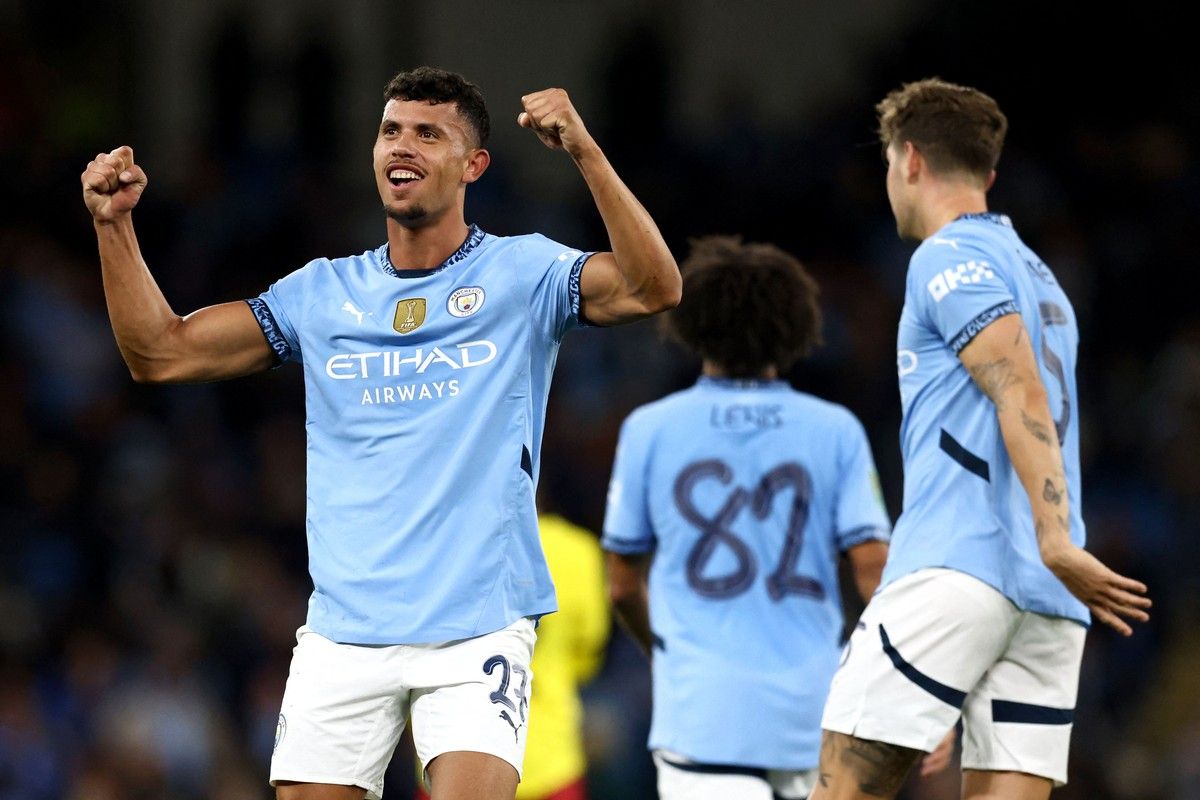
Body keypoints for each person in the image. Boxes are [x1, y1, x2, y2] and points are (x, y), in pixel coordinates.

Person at [80, 66, 680, 800]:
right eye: (392, 130)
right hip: (344, 632)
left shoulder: (523, 272)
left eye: (430, 134)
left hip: (476, 627)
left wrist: (585, 150)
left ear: (474, 165)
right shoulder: (321, 293)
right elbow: (161, 353)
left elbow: (656, 286)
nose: (404, 145)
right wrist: (113, 227)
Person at [810, 78, 1152, 800]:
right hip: (1048, 598)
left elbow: (1018, 386)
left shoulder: (945, 257)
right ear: (989, 174)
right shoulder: (1044, 279)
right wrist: (1056, 551)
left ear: (908, 161)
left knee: (840, 788)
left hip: (961, 561)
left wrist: (1056, 534)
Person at [602, 235, 912, 800]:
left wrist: (666, 650)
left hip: (700, 719)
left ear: (691, 326)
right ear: (794, 327)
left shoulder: (650, 428)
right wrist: (909, 687)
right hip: (811, 717)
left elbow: (622, 585)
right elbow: (874, 570)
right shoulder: (834, 429)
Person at [416, 509, 610, 800]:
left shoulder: (441, 542)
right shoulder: (576, 550)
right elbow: (588, 652)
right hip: (550, 762)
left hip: (453, 762)